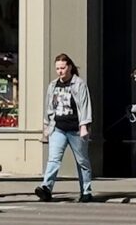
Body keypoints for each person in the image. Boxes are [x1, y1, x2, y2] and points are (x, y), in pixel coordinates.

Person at [35, 53, 94, 203]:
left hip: (75, 129)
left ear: (70, 67)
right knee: (53, 159)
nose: (60, 71)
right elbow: (49, 107)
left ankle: (86, 191)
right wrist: (46, 126)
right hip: (58, 128)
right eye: (57, 68)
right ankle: (46, 188)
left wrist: (84, 126)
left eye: (62, 68)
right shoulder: (53, 85)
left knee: (82, 161)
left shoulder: (79, 84)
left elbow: (85, 106)